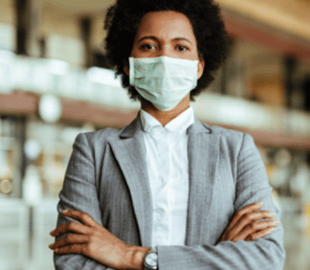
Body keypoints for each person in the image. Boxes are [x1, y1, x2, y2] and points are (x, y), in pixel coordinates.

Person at [48, 0, 285, 269]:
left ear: (198, 66)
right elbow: (71, 261)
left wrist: (133, 257)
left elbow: (267, 257)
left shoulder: (237, 150)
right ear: (129, 64)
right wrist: (218, 255)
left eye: (180, 47)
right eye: (149, 46)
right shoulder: (93, 150)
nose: (165, 58)